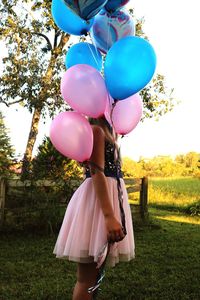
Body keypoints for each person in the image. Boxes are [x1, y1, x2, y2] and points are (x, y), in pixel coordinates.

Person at [53, 116, 135, 300]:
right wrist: (109, 215)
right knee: (87, 279)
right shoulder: (95, 131)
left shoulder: (111, 133)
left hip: (108, 198)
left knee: (96, 274)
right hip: (99, 204)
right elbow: (97, 171)